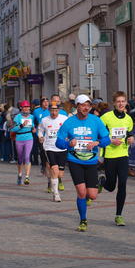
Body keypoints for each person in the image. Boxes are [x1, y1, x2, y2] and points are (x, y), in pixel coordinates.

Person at [56, 94, 110, 232]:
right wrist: (68, 143)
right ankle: (83, 220)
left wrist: (97, 142)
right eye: (83, 105)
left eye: (88, 105)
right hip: (75, 160)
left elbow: (107, 139)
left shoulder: (96, 120)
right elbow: (58, 142)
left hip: (91, 161)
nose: (86, 108)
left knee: (92, 195)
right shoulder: (69, 122)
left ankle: (99, 183)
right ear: (77, 106)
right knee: (81, 192)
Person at [99, 91, 135, 226]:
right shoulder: (106, 117)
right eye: (118, 101)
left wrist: (131, 138)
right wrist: (110, 140)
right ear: (114, 103)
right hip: (109, 155)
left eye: (123, 101)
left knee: (123, 184)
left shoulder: (128, 119)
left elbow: (129, 134)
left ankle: (119, 215)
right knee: (111, 186)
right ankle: (102, 182)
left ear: (126, 103)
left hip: (123, 155)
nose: (121, 104)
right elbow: (99, 135)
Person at [38, 104, 69, 202]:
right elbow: (40, 130)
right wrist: (40, 137)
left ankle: (51, 180)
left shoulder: (64, 119)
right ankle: (56, 194)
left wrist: (68, 137)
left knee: (60, 174)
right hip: (49, 148)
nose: (54, 112)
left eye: (56, 110)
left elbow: (69, 130)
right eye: (52, 110)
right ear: (49, 110)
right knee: (54, 169)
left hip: (62, 148)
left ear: (59, 110)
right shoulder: (44, 120)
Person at [11, 100, 35, 185]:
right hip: (19, 138)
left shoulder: (32, 117)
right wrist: (22, 125)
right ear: (21, 108)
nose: (26, 108)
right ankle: (20, 174)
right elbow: (13, 129)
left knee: (27, 156)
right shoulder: (17, 117)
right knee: (20, 158)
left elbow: (33, 126)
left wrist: (34, 129)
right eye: (24, 107)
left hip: (29, 137)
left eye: (27, 107)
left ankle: (27, 177)